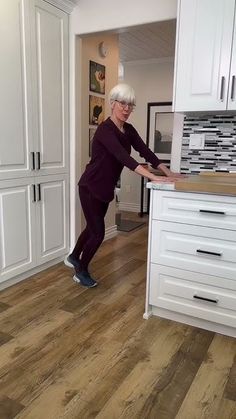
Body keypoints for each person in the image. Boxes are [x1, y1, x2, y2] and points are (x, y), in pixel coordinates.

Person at [65, 83, 183, 288]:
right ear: (112, 104)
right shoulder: (104, 130)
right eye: (123, 103)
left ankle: (74, 256)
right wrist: (151, 177)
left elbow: (144, 150)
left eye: (131, 105)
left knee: (93, 227)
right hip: (90, 186)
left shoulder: (128, 129)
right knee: (98, 232)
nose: (127, 109)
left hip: (104, 188)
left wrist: (167, 171)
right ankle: (80, 270)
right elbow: (123, 157)